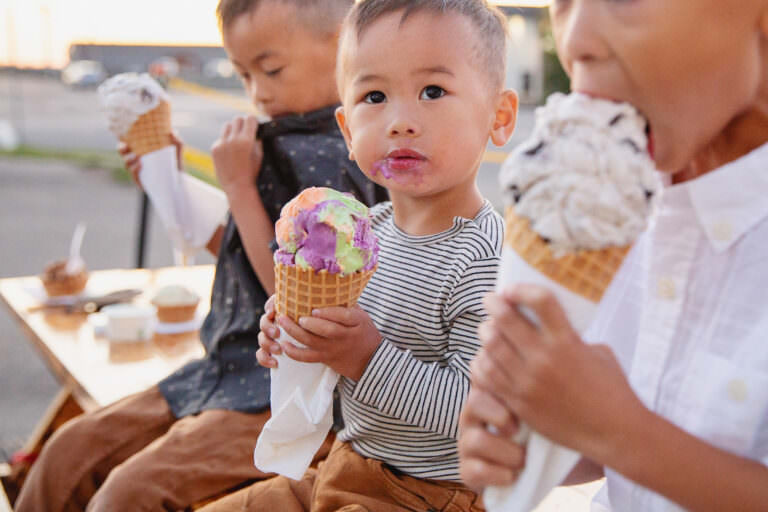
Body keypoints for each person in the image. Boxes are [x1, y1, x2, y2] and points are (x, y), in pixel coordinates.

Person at [15, 1, 387, 511]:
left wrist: (238, 186)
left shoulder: (336, 155)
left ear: (345, 42)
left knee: (128, 495)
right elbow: (242, 255)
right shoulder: (275, 140)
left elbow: (296, 297)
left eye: (272, 69)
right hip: (220, 370)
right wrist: (167, 181)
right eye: (243, 74)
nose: (259, 91)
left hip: (279, 393)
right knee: (66, 454)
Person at [198, 1, 518, 511]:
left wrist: (367, 358)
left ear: (499, 117)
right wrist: (294, 341)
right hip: (348, 463)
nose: (400, 121)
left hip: (429, 493)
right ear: (347, 131)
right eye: (375, 96)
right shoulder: (368, 235)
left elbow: (482, 410)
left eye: (432, 91)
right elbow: (335, 359)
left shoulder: (485, 258)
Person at [458, 1, 768, 510]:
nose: (575, 39)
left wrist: (622, 434)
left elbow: (625, 430)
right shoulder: (613, 205)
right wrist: (534, 441)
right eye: (563, 3)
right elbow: (625, 420)